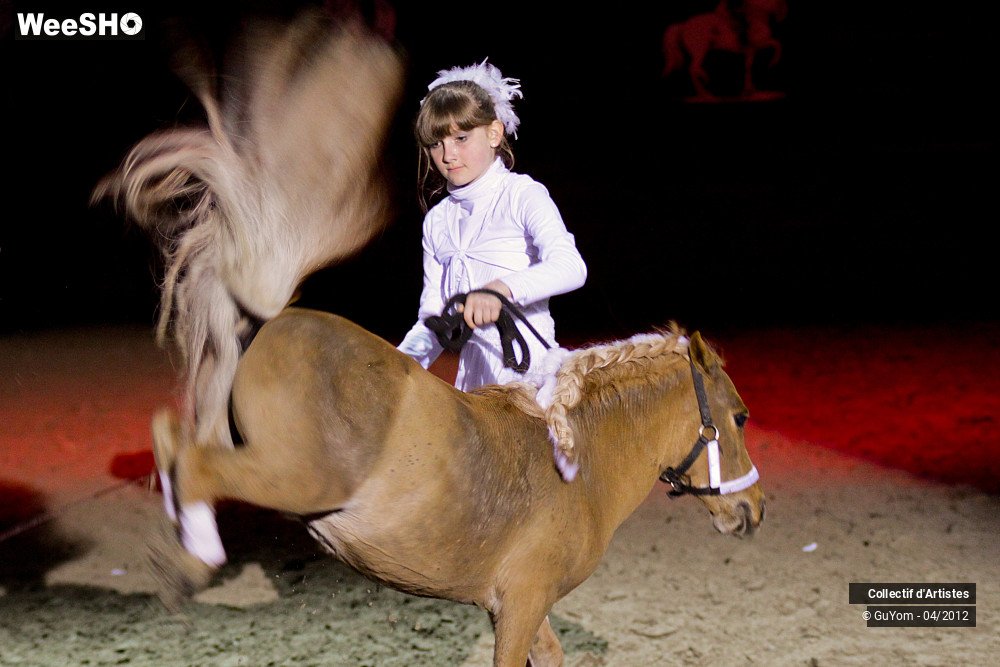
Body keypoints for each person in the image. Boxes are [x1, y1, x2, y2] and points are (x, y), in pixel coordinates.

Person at [397, 60, 587, 391]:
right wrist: (395, 365)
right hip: (474, 396)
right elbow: (432, 315)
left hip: (532, 384)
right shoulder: (437, 220)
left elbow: (571, 266)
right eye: (436, 143)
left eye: (461, 138)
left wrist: (501, 289)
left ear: (494, 133)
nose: (447, 155)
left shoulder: (522, 193)